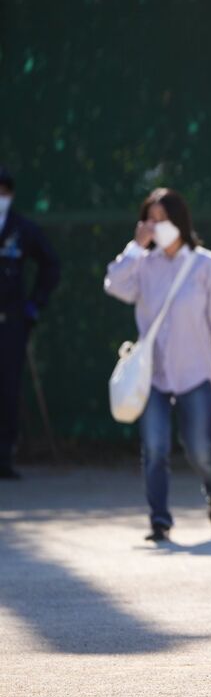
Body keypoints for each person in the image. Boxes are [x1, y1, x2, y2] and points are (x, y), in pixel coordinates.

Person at [104, 188, 211, 542]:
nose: (155, 226)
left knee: (197, 446)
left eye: (162, 219)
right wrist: (135, 248)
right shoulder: (143, 264)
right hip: (152, 375)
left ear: (179, 220)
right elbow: (114, 285)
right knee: (154, 447)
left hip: (194, 372)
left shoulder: (205, 264)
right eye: (150, 219)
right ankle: (160, 520)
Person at [0, 165, 61, 479]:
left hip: (10, 321)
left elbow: (51, 265)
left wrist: (33, 305)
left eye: (3, 191)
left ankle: (4, 456)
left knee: (8, 387)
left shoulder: (21, 228)